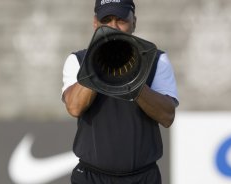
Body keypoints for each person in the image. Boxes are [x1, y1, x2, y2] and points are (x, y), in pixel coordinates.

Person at [62, 0, 179, 183]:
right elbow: (74, 107)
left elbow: (167, 116)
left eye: (121, 20)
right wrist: (99, 63)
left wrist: (132, 74)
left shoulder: (157, 60)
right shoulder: (78, 60)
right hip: (91, 177)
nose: (113, 27)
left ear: (134, 22)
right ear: (95, 22)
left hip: (142, 177)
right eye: (106, 20)